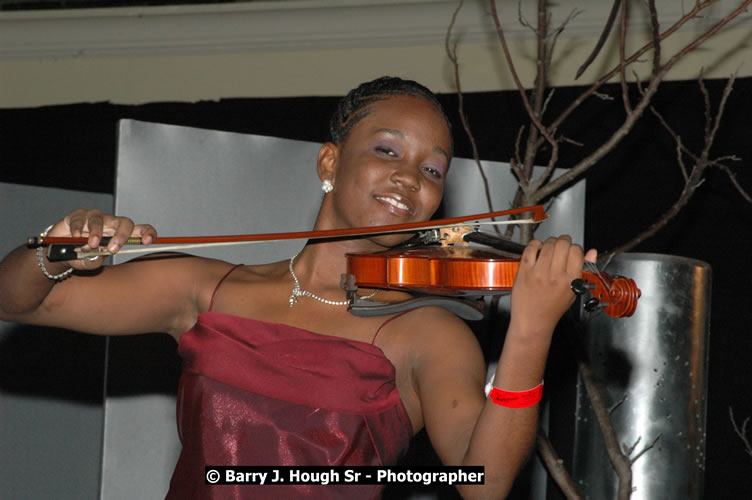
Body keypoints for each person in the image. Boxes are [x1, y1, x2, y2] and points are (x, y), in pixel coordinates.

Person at [0, 76, 595, 499]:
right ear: (329, 164)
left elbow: (482, 482)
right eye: (387, 150)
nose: (409, 178)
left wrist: (532, 330)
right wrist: (55, 249)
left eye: (432, 169)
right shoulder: (205, 289)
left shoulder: (429, 335)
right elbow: (21, 299)